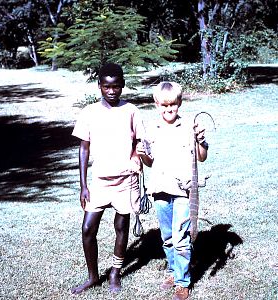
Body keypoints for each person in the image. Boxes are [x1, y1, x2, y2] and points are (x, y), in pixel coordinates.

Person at [71, 63, 146, 294]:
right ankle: (93, 276)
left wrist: (135, 157)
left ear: (122, 85)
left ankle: (115, 272)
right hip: (100, 182)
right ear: (99, 86)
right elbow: (84, 149)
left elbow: (139, 142)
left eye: (115, 87)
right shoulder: (89, 112)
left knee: (121, 226)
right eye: (106, 87)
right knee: (87, 228)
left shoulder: (131, 110)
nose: (111, 91)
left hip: (126, 180)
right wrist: (84, 185)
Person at [136, 81, 209, 300]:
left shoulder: (190, 126)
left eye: (173, 106)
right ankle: (174, 270)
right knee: (167, 237)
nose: (168, 110)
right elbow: (149, 162)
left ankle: (182, 281)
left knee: (181, 238)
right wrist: (142, 153)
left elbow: (202, 157)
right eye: (164, 106)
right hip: (159, 189)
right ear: (156, 104)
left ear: (179, 103)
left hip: (184, 191)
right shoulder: (152, 129)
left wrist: (201, 141)